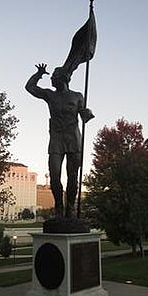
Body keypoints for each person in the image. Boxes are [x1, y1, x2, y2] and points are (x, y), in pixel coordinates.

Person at [25, 63, 94, 218]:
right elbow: (29, 87)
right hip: (56, 139)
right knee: (54, 175)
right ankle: (59, 207)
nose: (51, 78)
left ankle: (70, 208)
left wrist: (87, 113)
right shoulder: (51, 95)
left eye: (53, 76)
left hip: (73, 139)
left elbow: (84, 115)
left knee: (73, 176)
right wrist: (39, 74)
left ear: (62, 78)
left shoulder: (77, 96)